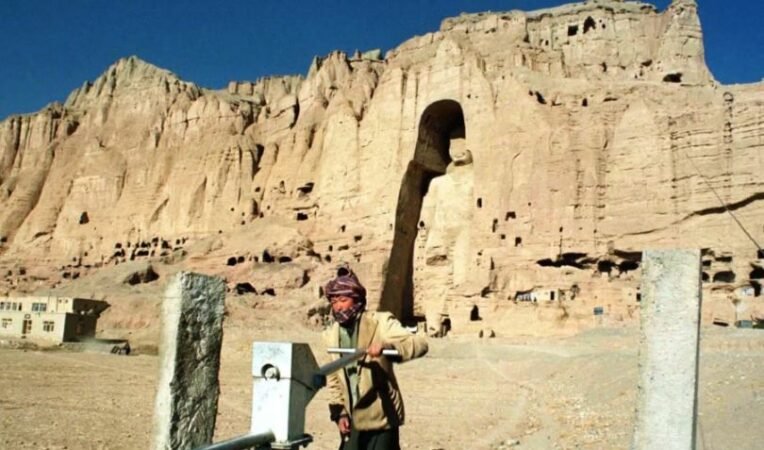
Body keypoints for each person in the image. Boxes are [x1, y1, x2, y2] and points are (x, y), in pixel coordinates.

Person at [323, 266, 428, 450]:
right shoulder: (331, 334)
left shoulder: (380, 322)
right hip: (352, 418)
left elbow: (419, 343)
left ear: (357, 300)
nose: (338, 307)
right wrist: (339, 413)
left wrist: (388, 347)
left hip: (381, 416)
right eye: (334, 302)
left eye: (343, 300)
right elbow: (333, 378)